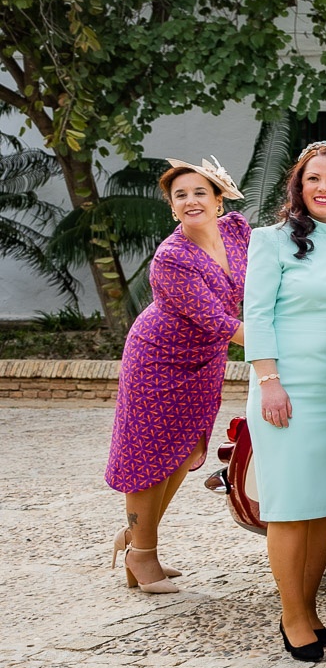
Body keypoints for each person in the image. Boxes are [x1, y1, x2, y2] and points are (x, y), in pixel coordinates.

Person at [243, 143, 326, 660]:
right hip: (287, 388)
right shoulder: (270, 241)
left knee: (324, 509)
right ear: (298, 186)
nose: (323, 187)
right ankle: (291, 613)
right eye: (313, 178)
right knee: (291, 507)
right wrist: (269, 380)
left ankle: (310, 606)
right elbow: (257, 314)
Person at [106, 156, 250, 595]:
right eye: (180, 195)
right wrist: (282, 346)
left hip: (204, 362)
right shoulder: (171, 257)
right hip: (158, 360)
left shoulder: (237, 231)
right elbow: (217, 321)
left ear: (219, 199)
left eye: (200, 192)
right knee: (148, 457)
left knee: (183, 453)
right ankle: (142, 554)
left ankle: (136, 539)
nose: (191, 201)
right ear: (172, 207)